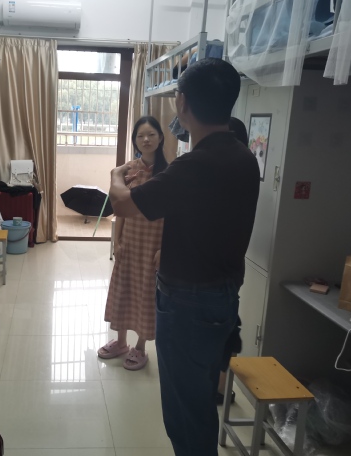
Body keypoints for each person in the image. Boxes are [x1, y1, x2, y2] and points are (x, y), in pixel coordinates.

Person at [109, 58, 260, 455]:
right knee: (200, 400)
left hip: (188, 303)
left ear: (181, 102)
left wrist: (116, 175)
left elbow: (121, 204)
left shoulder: (194, 165)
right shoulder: (244, 157)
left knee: (184, 411)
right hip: (223, 296)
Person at [98, 116, 168, 370]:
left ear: (160, 138)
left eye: (151, 134)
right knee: (124, 289)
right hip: (130, 240)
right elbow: (120, 209)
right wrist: (117, 241)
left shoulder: (169, 174)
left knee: (145, 294)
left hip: (153, 244)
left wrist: (164, 249)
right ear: (135, 141)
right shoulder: (128, 170)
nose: (146, 140)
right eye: (140, 136)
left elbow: (174, 215)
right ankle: (120, 342)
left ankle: (140, 347)